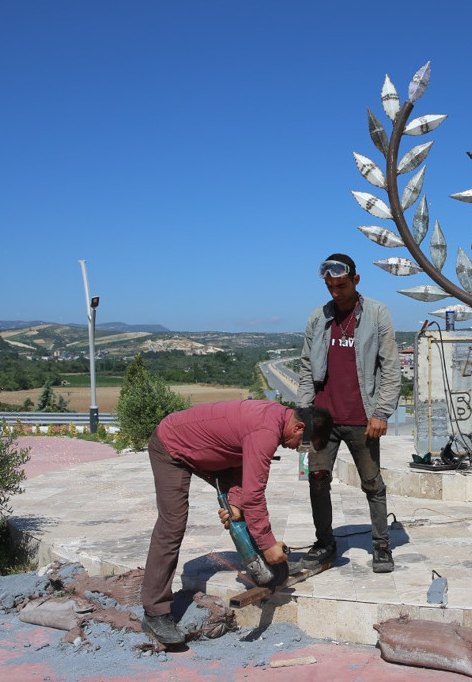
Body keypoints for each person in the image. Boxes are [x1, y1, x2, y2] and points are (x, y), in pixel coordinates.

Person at [141, 399, 331, 645]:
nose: (296, 450)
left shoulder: (276, 419)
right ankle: (154, 612)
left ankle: (258, 563)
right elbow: (254, 495)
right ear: (299, 427)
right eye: (302, 445)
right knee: (172, 526)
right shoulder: (266, 431)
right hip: (172, 446)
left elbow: (247, 471)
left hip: (217, 452)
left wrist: (236, 502)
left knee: (241, 508)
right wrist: (267, 543)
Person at [297, 253, 402, 574]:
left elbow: (390, 367)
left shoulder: (377, 313)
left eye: (341, 285)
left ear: (356, 280)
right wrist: (304, 414)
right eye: (330, 286)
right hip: (322, 420)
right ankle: (325, 543)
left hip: (363, 418)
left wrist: (382, 412)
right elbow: (305, 367)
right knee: (316, 479)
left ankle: (381, 544)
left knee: (372, 483)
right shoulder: (319, 317)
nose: (335, 292)